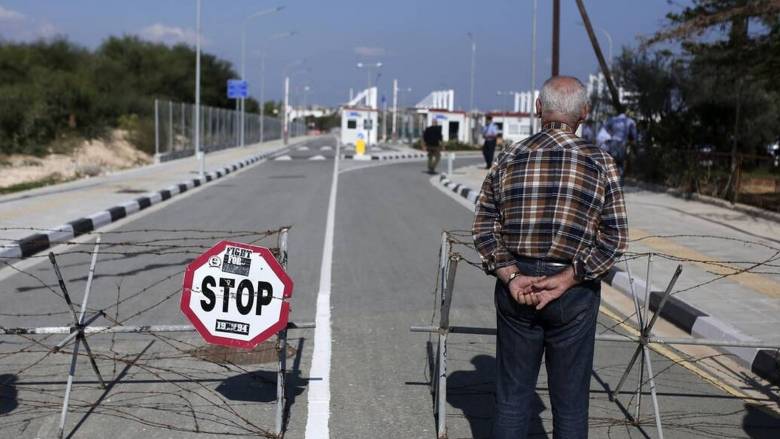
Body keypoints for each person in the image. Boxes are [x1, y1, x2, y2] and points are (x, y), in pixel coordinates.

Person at [472, 76, 628, 439]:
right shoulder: (600, 162)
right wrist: (570, 277)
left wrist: (510, 274)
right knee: (571, 404)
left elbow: (483, 224)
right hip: (573, 290)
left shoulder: (511, 154)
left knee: (512, 401)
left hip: (519, 286)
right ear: (585, 114)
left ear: (538, 108)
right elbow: (615, 236)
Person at [605, 112, 637, 185]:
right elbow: (634, 136)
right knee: (621, 163)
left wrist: (612, 134)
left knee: (612, 163)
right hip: (622, 144)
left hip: (613, 143)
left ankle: (610, 182)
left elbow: (605, 128)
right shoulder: (630, 121)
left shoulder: (613, 119)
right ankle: (619, 183)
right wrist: (633, 143)